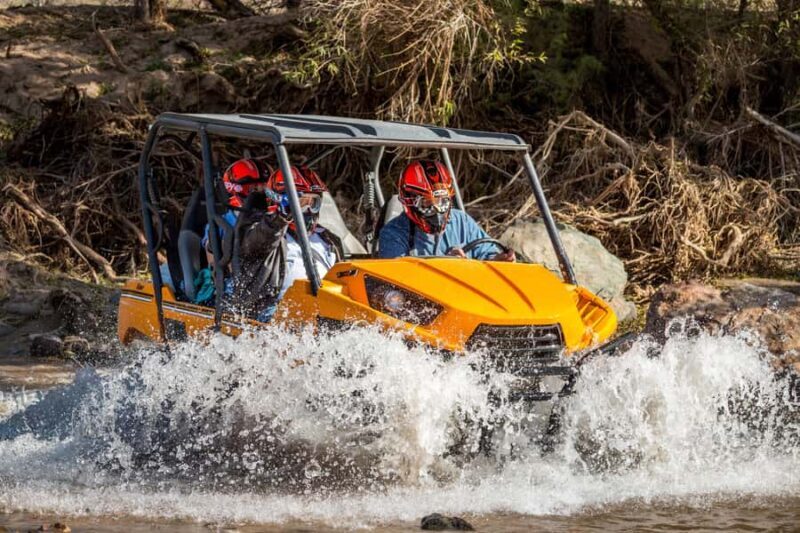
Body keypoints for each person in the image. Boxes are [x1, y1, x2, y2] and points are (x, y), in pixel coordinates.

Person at [378, 160, 515, 261]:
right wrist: (445, 265)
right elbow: (399, 283)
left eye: (442, 202)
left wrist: (499, 259)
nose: (437, 210)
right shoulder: (393, 234)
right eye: (427, 203)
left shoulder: (461, 221)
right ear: (410, 202)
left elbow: (487, 251)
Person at [265, 165, 340, 304]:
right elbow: (255, 243)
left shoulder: (327, 239)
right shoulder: (266, 235)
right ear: (282, 201)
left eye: (313, 203)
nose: (309, 210)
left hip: (325, 306)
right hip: (278, 311)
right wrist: (279, 220)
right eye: (302, 202)